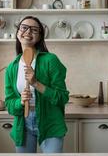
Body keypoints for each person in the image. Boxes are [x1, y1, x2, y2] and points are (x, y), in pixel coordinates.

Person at [4, 16, 69, 153]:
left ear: (39, 37)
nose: (28, 32)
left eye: (34, 30)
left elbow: (63, 98)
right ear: (17, 32)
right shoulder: (11, 68)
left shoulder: (50, 60)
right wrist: (20, 102)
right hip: (23, 124)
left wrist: (36, 83)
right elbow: (9, 104)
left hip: (50, 121)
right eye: (24, 27)